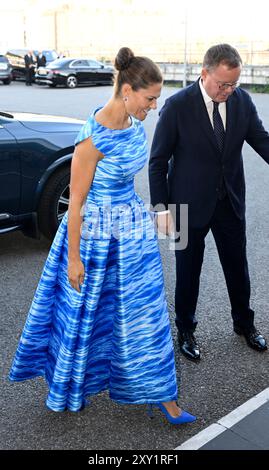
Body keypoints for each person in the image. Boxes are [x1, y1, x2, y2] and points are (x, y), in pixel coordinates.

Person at [9, 47, 196, 425]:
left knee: (144, 312)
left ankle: (162, 394)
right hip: (94, 235)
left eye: (157, 99)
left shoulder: (132, 124)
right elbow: (74, 205)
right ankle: (71, 385)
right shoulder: (91, 139)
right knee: (87, 315)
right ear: (127, 90)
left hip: (131, 231)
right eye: (150, 98)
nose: (154, 107)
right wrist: (74, 259)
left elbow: (127, 182)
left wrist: (152, 215)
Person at [149, 43, 269, 361]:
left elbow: (261, 140)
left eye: (234, 84)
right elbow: (158, 161)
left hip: (229, 200)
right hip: (185, 206)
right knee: (188, 271)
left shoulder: (242, 102)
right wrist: (160, 208)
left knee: (237, 267)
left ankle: (244, 323)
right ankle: (186, 330)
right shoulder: (177, 106)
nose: (228, 90)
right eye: (223, 84)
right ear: (205, 74)